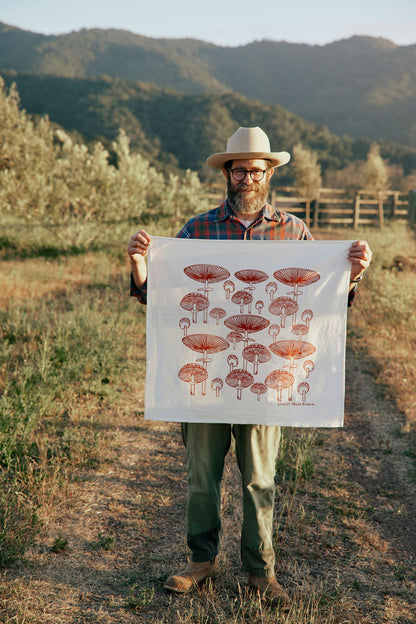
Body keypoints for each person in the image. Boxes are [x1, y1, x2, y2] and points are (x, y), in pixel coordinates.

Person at [127, 127, 372, 608]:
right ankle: (201, 561)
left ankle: (260, 572)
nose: (247, 177)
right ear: (227, 173)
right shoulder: (196, 231)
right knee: (202, 475)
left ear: (269, 174)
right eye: (239, 169)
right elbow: (165, 299)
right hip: (205, 377)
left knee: (260, 477)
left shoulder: (295, 232)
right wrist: (141, 269)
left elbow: (318, 300)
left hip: (264, 386)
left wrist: (353, 275)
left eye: (256, 170)